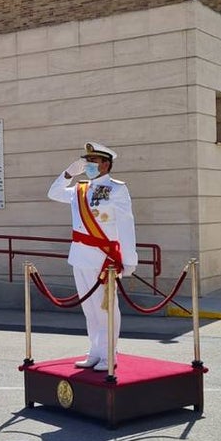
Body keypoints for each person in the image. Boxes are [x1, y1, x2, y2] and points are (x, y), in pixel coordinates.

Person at [47, 142, 137, 372]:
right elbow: (54, 193)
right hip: (79, 256)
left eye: (92, 162)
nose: (88, 166)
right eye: (86, 162)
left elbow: (126, 226)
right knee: (89, 308)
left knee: (106, 308)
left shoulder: (116, 189)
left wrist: (128, 260)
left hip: (103, 258)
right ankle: (95, 351)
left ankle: (109, 354)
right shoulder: (79, 189)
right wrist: (69, 173)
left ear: (105, 164)